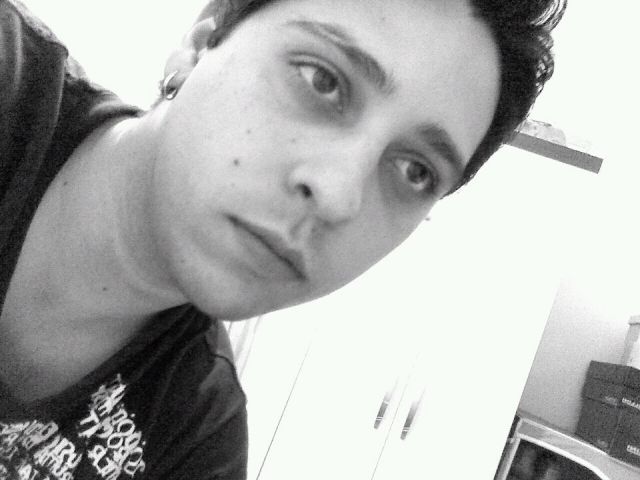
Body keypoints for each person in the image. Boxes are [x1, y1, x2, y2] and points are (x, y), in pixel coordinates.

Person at [0, 0, 565, 478]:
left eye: (415, 171)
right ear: (199, 44)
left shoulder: (196, 435)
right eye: (322, 80)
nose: (339, 196)